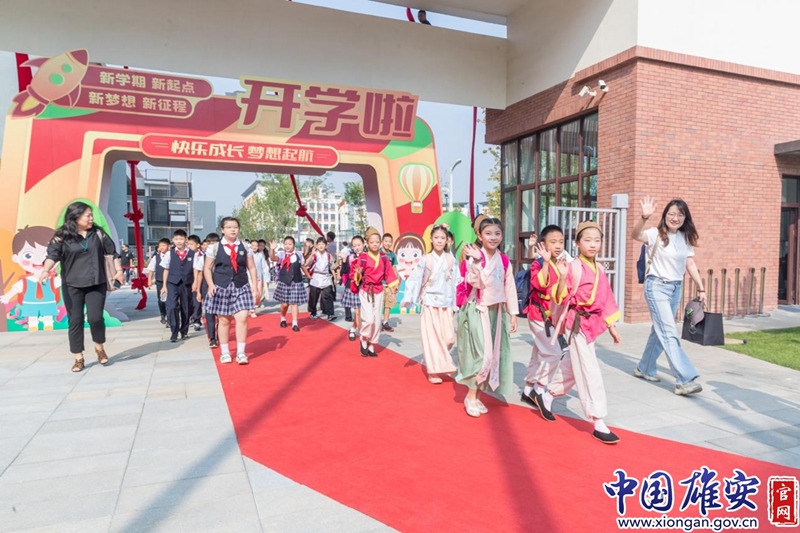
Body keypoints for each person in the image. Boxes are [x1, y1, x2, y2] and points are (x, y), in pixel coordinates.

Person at [542, 220, 622, 444]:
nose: (593, 244)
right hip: (576, 323)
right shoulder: (572, 267)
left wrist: (612, 326)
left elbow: (606, 298)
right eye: (587, 240)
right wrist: (562, 277)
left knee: (573, 365)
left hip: (592, 323)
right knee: (589, 369)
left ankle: (547, 395)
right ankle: (598, 419)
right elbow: (559, 297)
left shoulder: (600, 269)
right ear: (577, 243)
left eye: (597, 240)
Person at [632, 197, 706, 396]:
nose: (675, 218)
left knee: (660, 331)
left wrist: (701, 288)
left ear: (685, 218)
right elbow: (635, 234)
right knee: (669, 332)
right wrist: (644, 217)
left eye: (680, 215)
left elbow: (690, 263)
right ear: (665, 216)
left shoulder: (684, 237)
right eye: (672, 214)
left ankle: (645, 367)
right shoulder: (654, 233)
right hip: (656, 286)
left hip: (675, 288)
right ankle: (685, 379)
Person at [40, 202, 123, 372]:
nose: (91, 218)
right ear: (76, 217)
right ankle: (78, 357)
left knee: (95, 318)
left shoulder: (98, 233)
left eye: (91, 215)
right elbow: (52, 255)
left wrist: (119, 271)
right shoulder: (61, 236)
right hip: (72, 285)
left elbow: (112, 253)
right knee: (75, 320)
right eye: (88, 216)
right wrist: (45, 270)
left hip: (96, 282)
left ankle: (99, 348)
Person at [456, 216, 518, 417]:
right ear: (479, 235)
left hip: (497, 312)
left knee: (493, 356)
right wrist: (476, 261)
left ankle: (477, 396)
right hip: (478, 310)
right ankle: (470, 396)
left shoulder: (504, 260)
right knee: (481, 355)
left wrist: (513, 313)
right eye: (488, 233)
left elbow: (509, 286)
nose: (493, 237)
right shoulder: (474, 256)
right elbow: (476, 282)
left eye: (497, 233)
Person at [401, 224, 459, 383]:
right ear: (431, 239)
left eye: (442, 238)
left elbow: (457, 281)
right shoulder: (426, 259)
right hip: (430, 302)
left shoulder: (451, 259)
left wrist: (457, 301)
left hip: (447, 303)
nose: (439, 241)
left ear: (447, 240)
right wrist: (409, 297)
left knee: (449, 338)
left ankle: (442, 362)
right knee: (432, 337)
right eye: (436, 237)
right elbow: (415, 279)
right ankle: (434, 371)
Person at [521, 225, 569, 409]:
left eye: (561, 242)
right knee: (555, 352)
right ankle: (539, 388)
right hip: (539, 315)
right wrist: (547, 263)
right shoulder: (539, 264)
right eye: (553, 242)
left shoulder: (562, 262)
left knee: (538, 353)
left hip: (551, 317)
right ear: (543, 244)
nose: (558, 245)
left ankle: (527, 390)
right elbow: (541, 284)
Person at [203, 218, 259, 364]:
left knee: (243, 317)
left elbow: (251, 267)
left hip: (241, 285)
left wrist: (254, 285)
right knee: (224, 320)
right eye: (228, 227)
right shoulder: (214, 248)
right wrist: (210, 284)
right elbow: (207, 268)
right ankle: (225, 352)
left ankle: (241, 352)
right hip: (221, 287)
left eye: (235, 227)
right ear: (222, 230)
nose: (233, 230)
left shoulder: (245, 247)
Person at [0, 226, 61, 331]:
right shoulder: (25, 281)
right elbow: (16, 289)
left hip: (48, 303)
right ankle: (33, 325)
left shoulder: (51, 280)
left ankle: (48, 324)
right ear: (16, 258)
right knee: (32, 315)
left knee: (48, 315)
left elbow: (62, 280)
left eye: (46, 254)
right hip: (30, 303)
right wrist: (7, 296)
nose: (38, 260)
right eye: (28, 255)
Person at [351, 227, 399, 357]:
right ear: (367, 243)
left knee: (377, 319)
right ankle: (364, 337)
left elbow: (389, 273)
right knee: (369, 319)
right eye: (372, 242)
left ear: (380, 242)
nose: (375, 244)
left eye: (377, 241)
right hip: (366, 290)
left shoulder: (384, 257)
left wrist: (393, 287)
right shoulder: (363, 257)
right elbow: (355, 275)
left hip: (379, 289)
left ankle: (372, 343)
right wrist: (358, 273)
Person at [160, 229, 195, 343]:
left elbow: (196, 270)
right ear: (173, 240)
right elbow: (166, 269)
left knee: (186, 308)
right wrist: (164, 286)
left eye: (181, 239)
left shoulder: (192, 254)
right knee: (172, 306)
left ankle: (184, 331)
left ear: (186, 240)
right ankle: (174, 332)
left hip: (187, 283)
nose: (179, 241)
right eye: (176, 239)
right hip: (172, 283)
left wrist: (195, 283)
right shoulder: (169, 253)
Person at [269, 236, 310, 331]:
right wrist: (272, 249)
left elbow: (303, 266)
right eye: (286, 244)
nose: (287, 246)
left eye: (290, 244)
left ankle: (295, 323)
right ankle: (283, 318)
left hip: (296, 282)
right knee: (285, 304)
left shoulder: (298, 254)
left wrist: (308, 275)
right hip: (284, 282)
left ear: (294, 245)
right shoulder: (281, 254)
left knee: (294, 303)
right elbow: (273, 258)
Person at [198, 233, 220, 348]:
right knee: (209, 314)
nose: (212, 246)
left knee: (221, 315)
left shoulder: (224, 256)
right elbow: (200, 274)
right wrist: (198, 291)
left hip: (222, 288)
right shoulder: (203, 258)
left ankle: (220, 335)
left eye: (214, 243)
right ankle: (212, 338)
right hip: (207, 289)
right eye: (209, 243)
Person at [307, 236, 337, 321]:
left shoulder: (328, 255)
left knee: (328, 297)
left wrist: (335, 278)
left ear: (326, 246)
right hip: (315, 278)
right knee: (313, 297)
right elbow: (306, 264)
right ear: (316, 245)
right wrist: (311, 255)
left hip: (326, 278)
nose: (321, 246)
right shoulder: (314, 255)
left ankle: (330, 314)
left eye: (323, 244)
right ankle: (313, 312)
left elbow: (332, 267)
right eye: (319, 244)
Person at [341, 236, 364, 338]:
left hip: (365, 287)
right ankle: (362, 336)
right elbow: (344, 271)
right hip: (353, 286)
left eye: (359, 245)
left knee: (360, 312)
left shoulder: (367, 256)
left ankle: (353, 328)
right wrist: (344, 260)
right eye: (354, 246)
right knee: (357, 311)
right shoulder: (350, 257)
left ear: (364, 244)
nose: (357, 247)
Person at [146, 238, 171, 326]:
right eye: (160, 246)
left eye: (163, 245)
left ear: (169, 246)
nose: (161, 247)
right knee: (161, 299)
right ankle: (163, 314)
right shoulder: (156, 257)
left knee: (170, 300)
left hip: (170, 281)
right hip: (160, 281)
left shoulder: (172, 256)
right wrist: (149, 280)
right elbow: (151, 269)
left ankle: (169, 319)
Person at [381, 233, 399, 332]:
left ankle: (385, 322)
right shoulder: (378, 253)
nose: (388, 243)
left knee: (388, 304)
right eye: (386, 241)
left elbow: (394, 269)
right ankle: (376, 323)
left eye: (390, 241)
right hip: (379, 284)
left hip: (388, 284)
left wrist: (395, 284)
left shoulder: (392, 255)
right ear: (382, 242)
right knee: (378, 305)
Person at [187, 234, 204, 330]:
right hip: (187, 280)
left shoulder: (203, 255)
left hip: (199, 280)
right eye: (188, 244)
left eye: (191, 244)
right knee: (188, 301)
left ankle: (197, 320)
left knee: (197, 300)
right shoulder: (185, 255)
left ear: (198, 245)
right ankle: (190, 317)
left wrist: (196, 282)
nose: (189, 246)